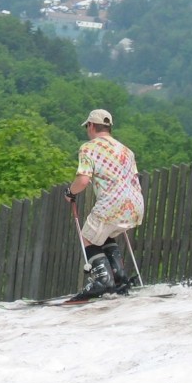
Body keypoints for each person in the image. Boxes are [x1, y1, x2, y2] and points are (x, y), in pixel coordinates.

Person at [64, 109, 145, 299]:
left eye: (87, 126)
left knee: (88, 237)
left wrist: (70, 192)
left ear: (91, 126)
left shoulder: (89, 148)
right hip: (135, 204)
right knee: (104, 234)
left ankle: (103, 281)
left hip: (112, 203)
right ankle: (119, 277)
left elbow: (83, 180)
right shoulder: (127, 151)